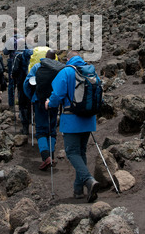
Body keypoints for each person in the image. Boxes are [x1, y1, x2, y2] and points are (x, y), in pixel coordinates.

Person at [45, 51, 100, 202]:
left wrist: (49, 103)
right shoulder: (91, 70)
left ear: (68, 59)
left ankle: (89, 180)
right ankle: (78, 191)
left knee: (71, 152)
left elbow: (57, 96)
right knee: (81, 152)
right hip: (88, 119)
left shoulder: (67, 71)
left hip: (71, 120)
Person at [24, 50, 59, 170]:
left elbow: (26, 84)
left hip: (39, 101)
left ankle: (45, 158)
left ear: (45, 57)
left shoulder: (36, 67)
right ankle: (52, 156)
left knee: (41, 129)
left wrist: (32, 97)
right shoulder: (59, 68)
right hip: (53, 102)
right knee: (52, 129)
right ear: (55, 58)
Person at [12, 42, 33, 135]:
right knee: (30, 103)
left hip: (21, 83)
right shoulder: (32, 55)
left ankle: (25, 127)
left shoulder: (17, 56)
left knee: (22, 104)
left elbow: (15, 70)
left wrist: (14, 78)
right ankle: (33, 120)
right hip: (31, 82)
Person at [3, 29, 25, 108]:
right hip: (23, 62)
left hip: (12, 62)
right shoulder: (23, 39)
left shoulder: (11, 40)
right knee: (21, 82)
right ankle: (22, 103)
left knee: (12, 84)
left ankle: (11, 104)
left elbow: (5, 52)